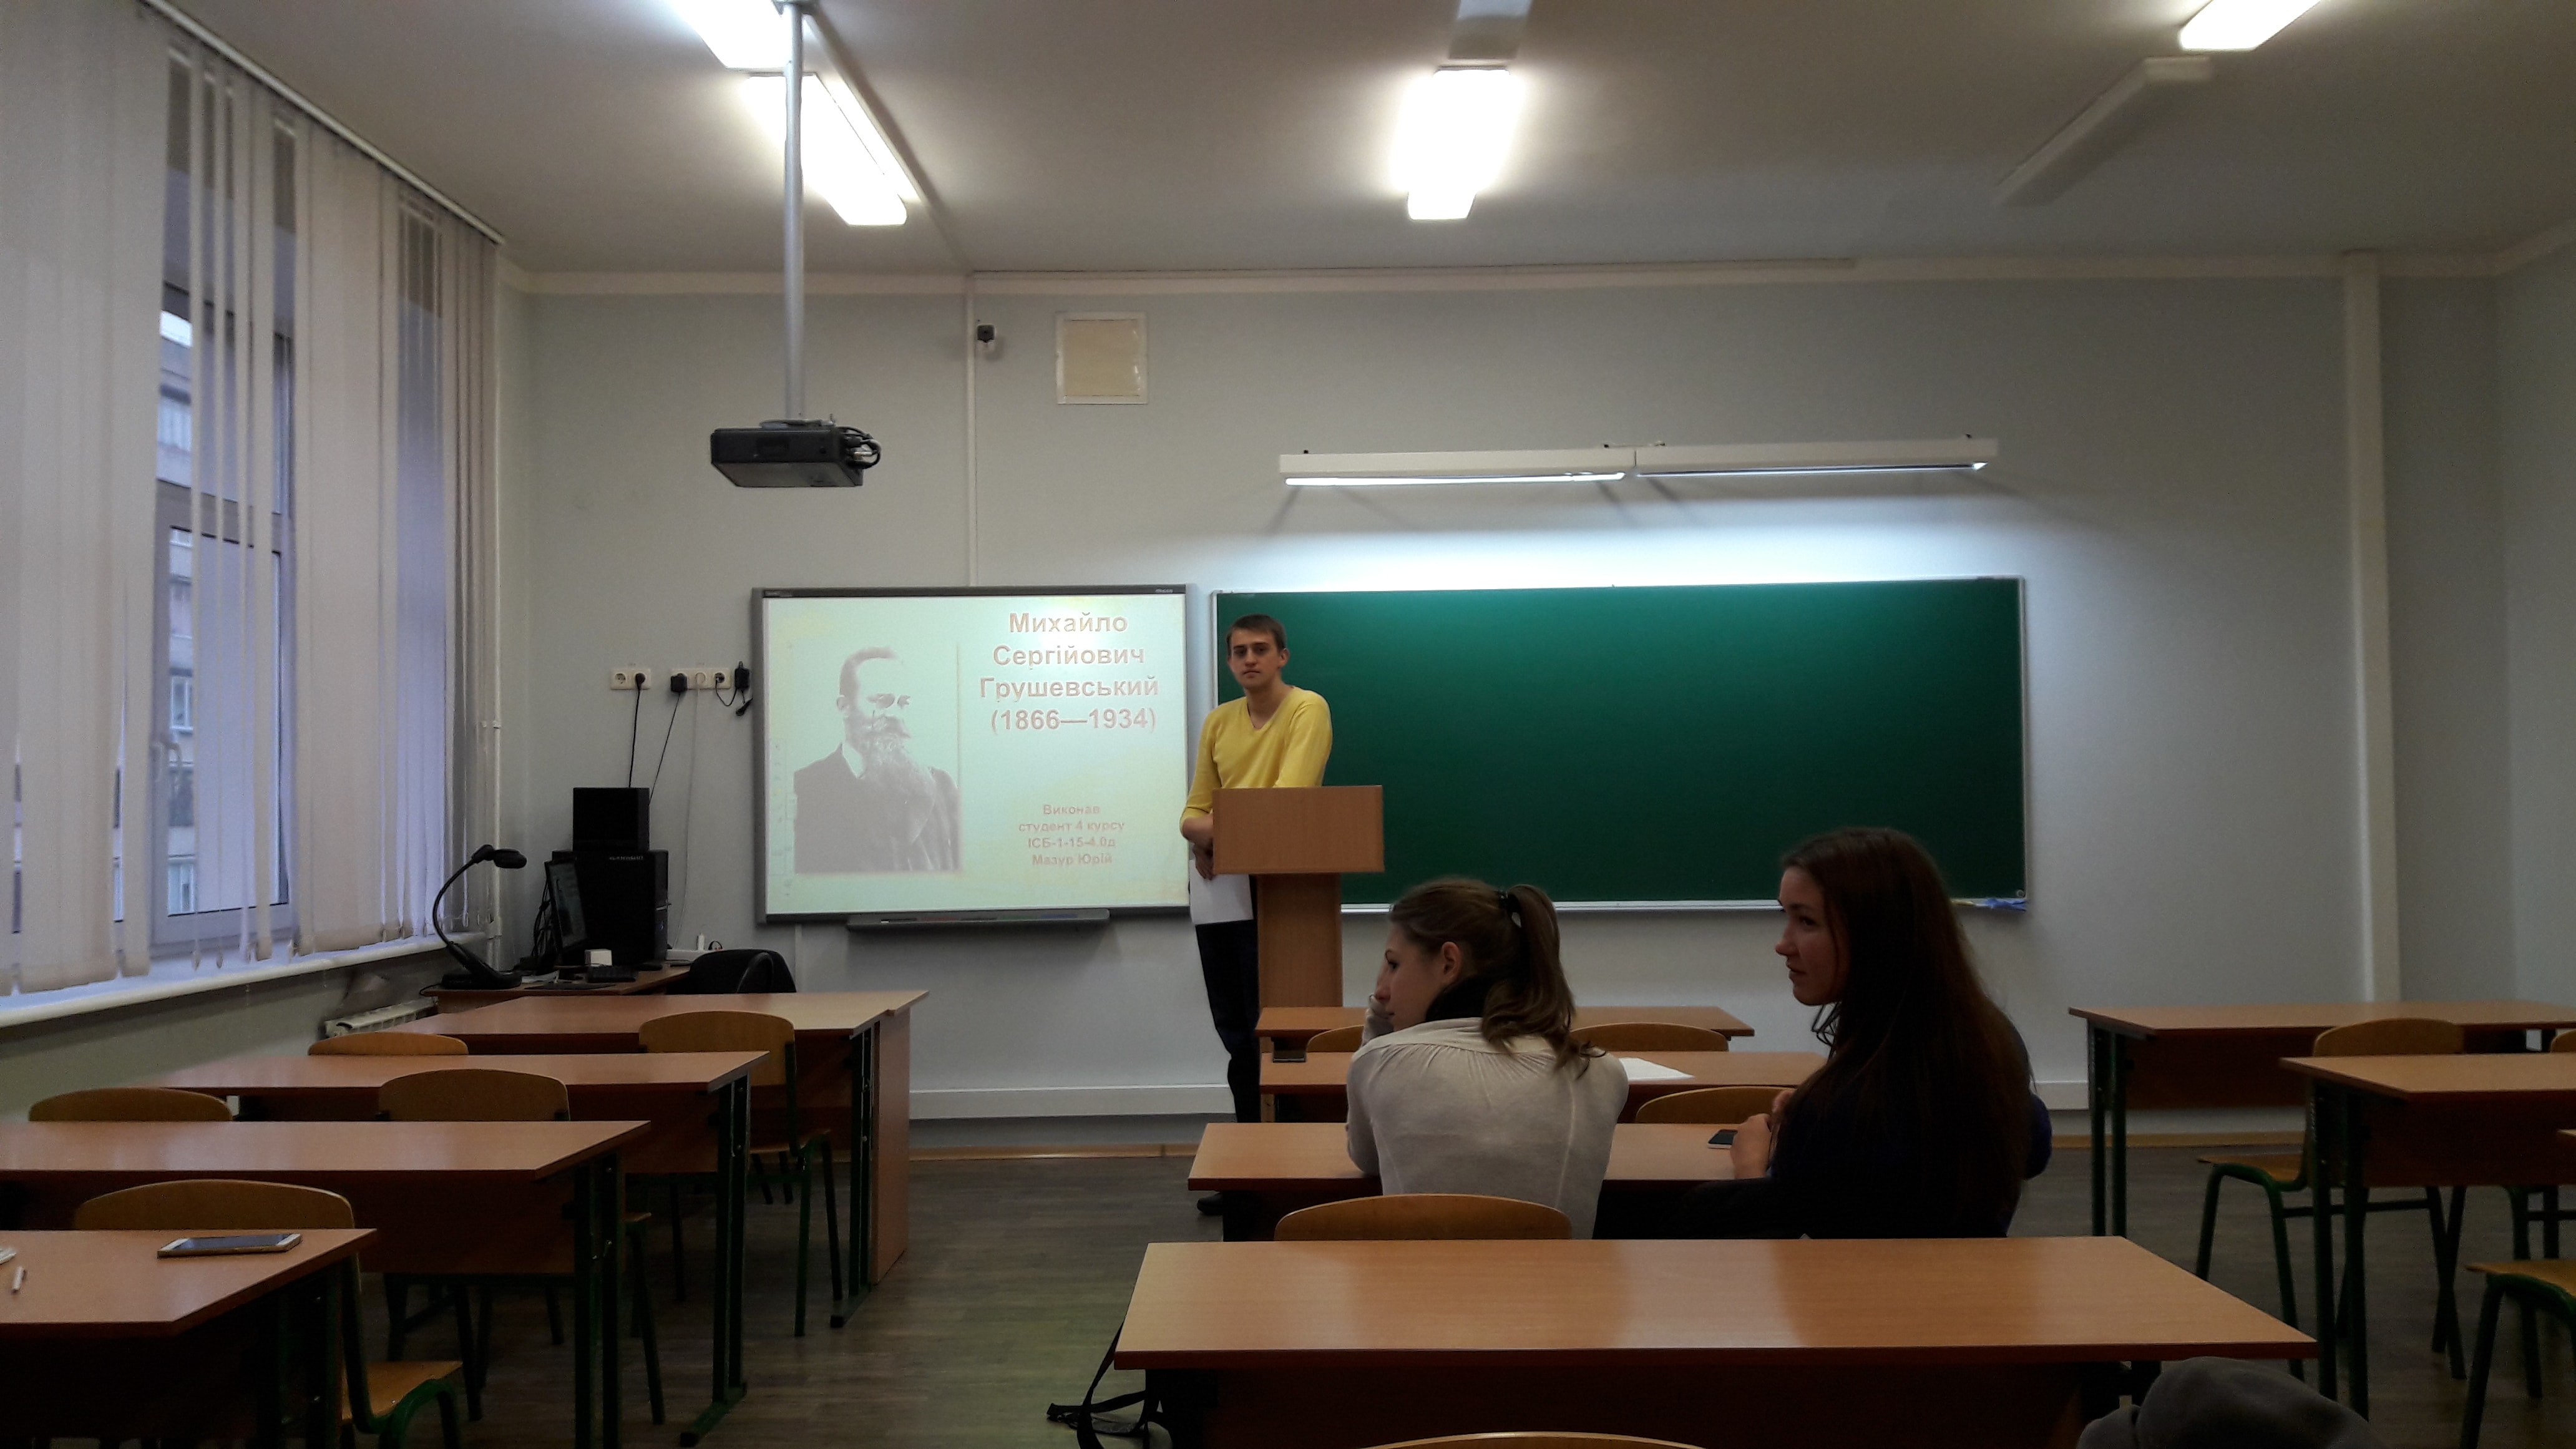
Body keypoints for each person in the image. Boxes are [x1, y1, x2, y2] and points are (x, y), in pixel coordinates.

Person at [1671, 826, 2051, 1239]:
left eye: (1807, 921)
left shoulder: (1844, 1107)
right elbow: (2033, 1146)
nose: (1784, 944)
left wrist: (1752, 1164)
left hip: (1866, 1282)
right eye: (1787, 917)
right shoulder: (1991, 1040)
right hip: (1976, 1279)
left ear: (1876, 933)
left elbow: (1775, 1239)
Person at [1345, 878, 1625, 1237]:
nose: (1381, 990)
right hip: (1560, 1275)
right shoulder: (1601, 1071)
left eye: (1394, 965)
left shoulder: (1378, 1063)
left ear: (1448, 963)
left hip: (1424, 1275)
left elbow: (1367, 1159)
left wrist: (1377, 1034)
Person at [1178, 614, 1331, 1135]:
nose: (1249, 659)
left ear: (1282, 656)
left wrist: (1214, 834)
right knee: (1236, 1030)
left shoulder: (1307, 708)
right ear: (1229, 661)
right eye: (1239, 651)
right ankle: (1250, 1148)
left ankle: (1290, 1148)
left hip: (1283, 891)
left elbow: (1287, 801)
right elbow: (1190, 814)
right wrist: (1206, 835)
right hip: (1223, 890)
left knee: (1277, 1029)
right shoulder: (1219, 721)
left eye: (1260, 649)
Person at [793, 646, 961, 873]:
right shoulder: (805, 789)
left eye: (904, 703)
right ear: (844, 707)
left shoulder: (941, 786)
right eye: (882, 701)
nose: (896, 715)